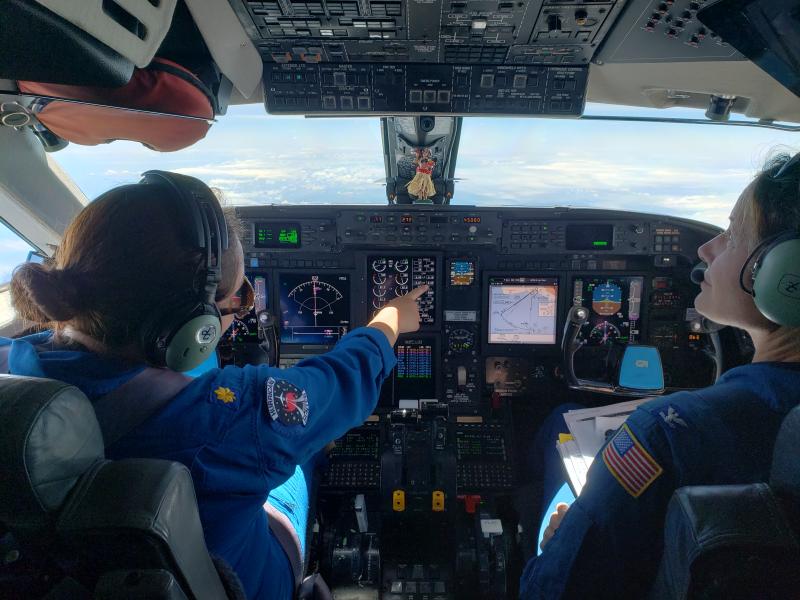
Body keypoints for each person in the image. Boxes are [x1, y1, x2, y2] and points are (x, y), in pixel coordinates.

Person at [4, 172, 429, 600]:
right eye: (239, 297)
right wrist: (388, 322)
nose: (242, 311)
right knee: (303, 457)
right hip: (247, 582)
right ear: (192, 327)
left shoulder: (10, 375)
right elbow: (342, 381)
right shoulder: (230, 417)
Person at [520, 152, 800, 599]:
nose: (706, 248)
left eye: (733, 236)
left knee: (560, 422)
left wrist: (559, 548)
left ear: (789, 275)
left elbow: (550, 592)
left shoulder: (663, 433)